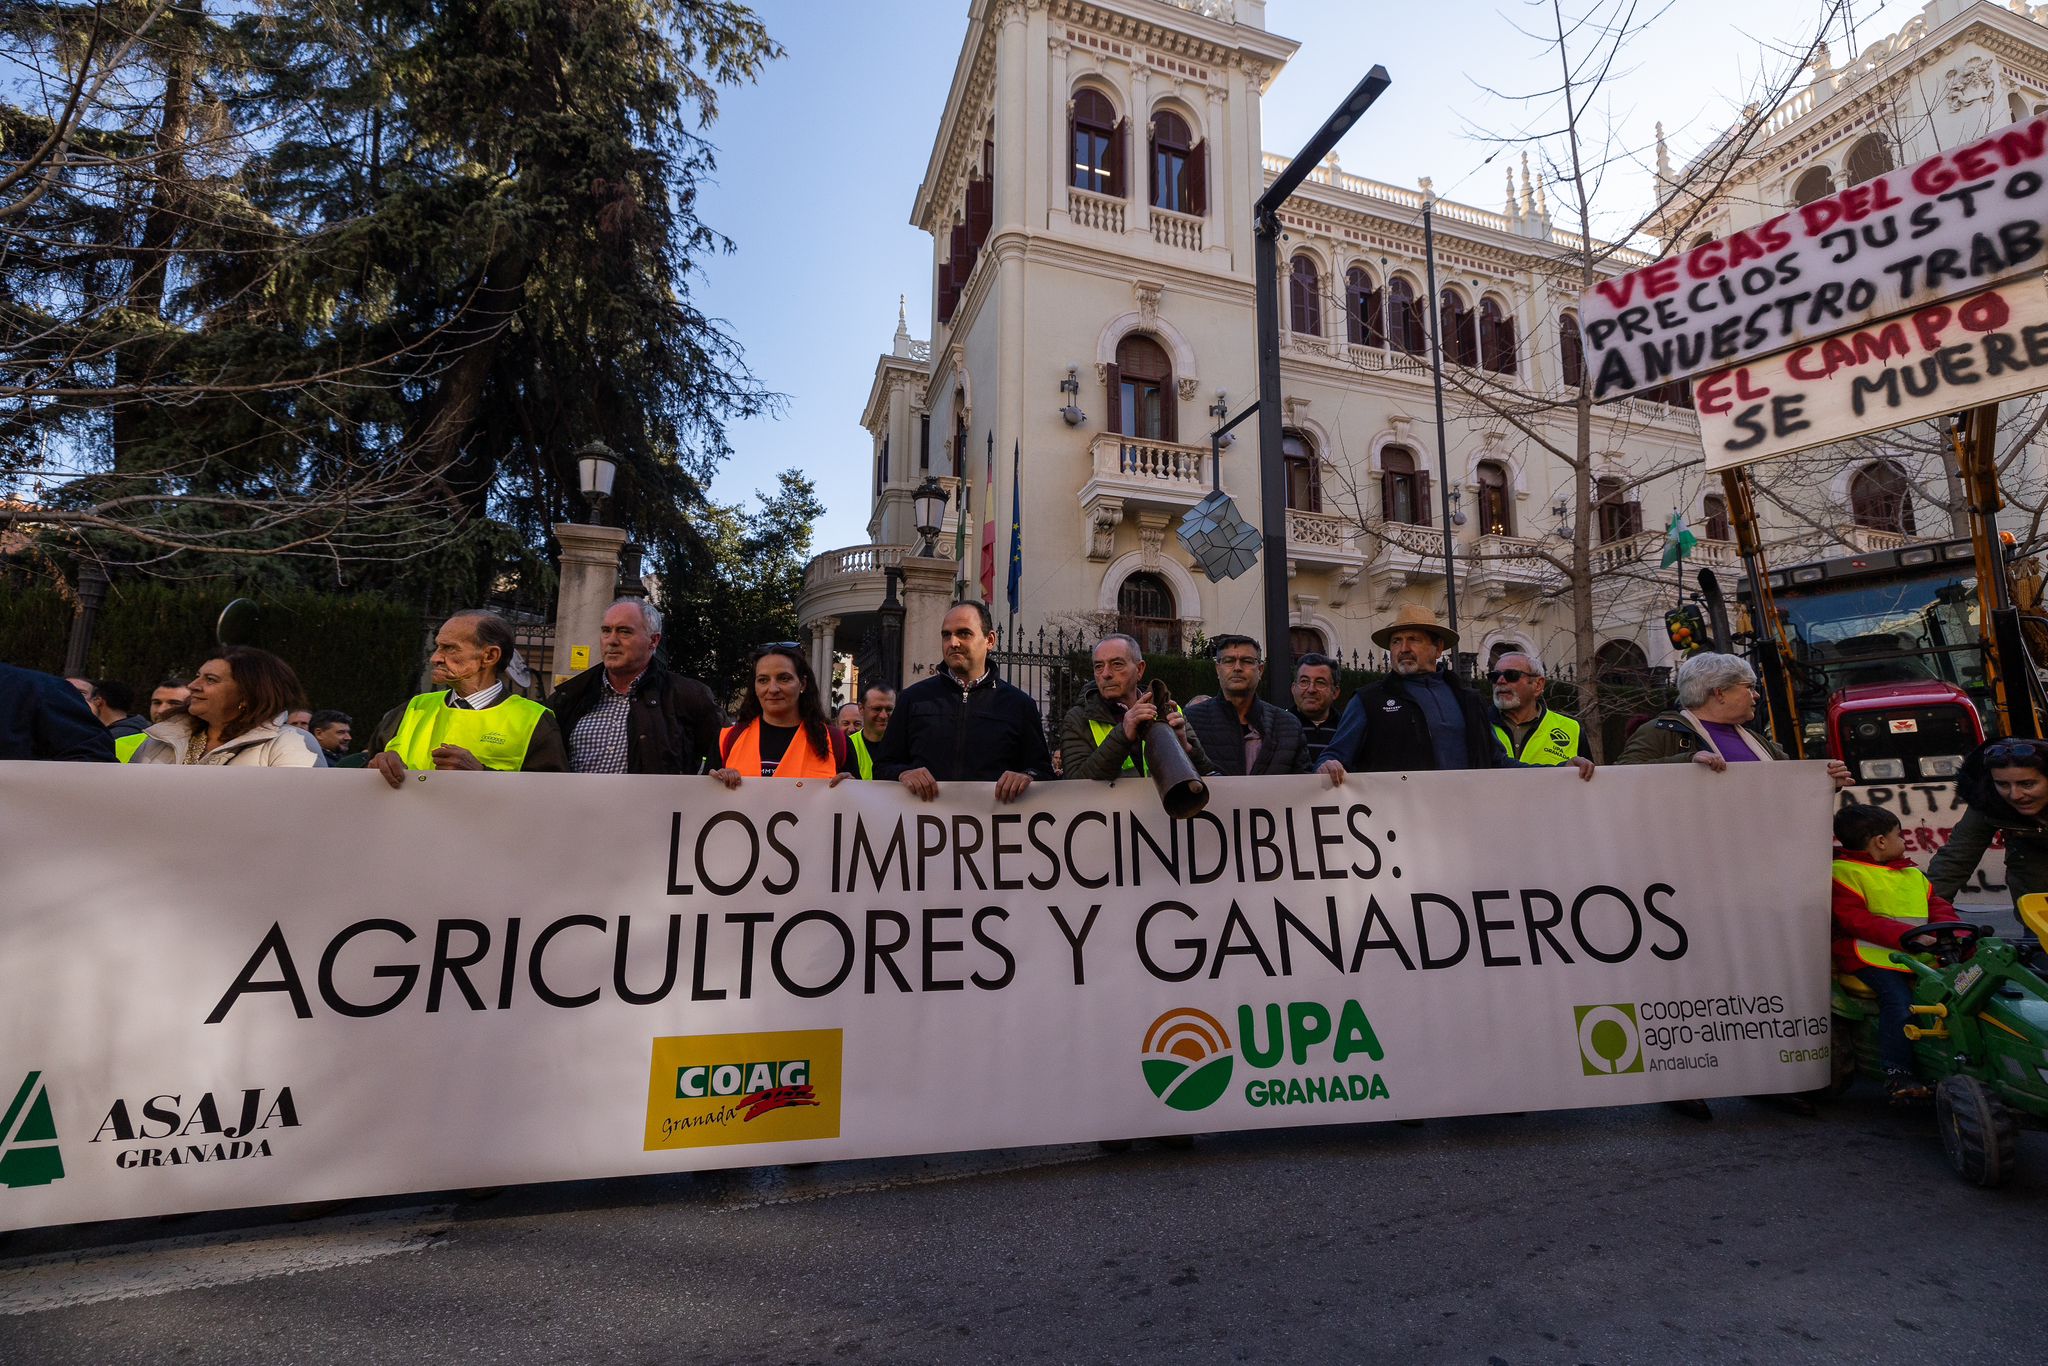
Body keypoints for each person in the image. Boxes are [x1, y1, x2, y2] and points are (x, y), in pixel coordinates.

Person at [1320, 606, 1592, 781]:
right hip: (1397, 835)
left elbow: (1496, 762)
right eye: (1396, 641)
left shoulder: (1468, 700)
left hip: (1464, 829)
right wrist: (1326, 765)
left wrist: (1560, 773)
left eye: (1413, 639)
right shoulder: (1369, 700)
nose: (1403, 648)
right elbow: (1334, 756)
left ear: (1438, 649)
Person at [1832, 802, 1959, 1103]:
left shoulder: (1913, 875)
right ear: (1881, 841)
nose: (1904, 842)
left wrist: (1952, 933)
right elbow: (1857, 920)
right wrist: (1908, 938)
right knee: (1899, 1003)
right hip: (1870, 958)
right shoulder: (1844, 873)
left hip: (1916, 955)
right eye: (1900, 835)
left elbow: (1938, 907)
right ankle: (1898, 1073)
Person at [872, 600, 1053, 802]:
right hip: (926, 828)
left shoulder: (1020, 705)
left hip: (993, 829)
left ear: (990, 640)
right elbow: (882, 766)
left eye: (964, 633)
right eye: (946, 635)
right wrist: (903, 773)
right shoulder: (912, 699)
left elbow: (1043, 772)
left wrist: (1027, 776)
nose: (953, 643)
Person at [366, 610, 567, 786]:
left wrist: (481, 775)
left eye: (449, 648)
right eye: (438, 647)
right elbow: (361, 768)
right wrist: (376, 764)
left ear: (489, 656)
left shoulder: (533, 720)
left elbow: (550, 796)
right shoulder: (412, 708)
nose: (435, 658)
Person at [1615, 652, 1850, 787]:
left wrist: (1826, 781)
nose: (1756, 695)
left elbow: (1788, 786)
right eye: (1749, 687)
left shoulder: (1758, 741)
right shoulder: (1660, 732)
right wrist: (1687, 761)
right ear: (1719, 692)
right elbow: (1620, 778)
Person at [547, 599, 722, 775]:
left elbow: (727, 753)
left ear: (653, 641)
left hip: (655, 803)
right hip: (576, 802)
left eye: (624, 632)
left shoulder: (688, 696)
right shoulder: (569, 696)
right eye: (606, 631)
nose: (612, 641)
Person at [1058, 634, 1214, 781]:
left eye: (1117, 664)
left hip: (1167, 809)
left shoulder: (1170, 710)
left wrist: (1185, 748)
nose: (1105, 674)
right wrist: (1123, 735)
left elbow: (1208, 774)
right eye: (1098, 666)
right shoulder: (1078, 718)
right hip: (1111, 809)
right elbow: (1075, 784)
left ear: (1139, 669)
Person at [133, 649, 321, 767]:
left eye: (210, 680)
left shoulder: (289, 744)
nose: (193, 685)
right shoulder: (160, 739)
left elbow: (296, 814)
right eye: (198, 676)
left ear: (247, 695)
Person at [1928, 737, 2048, 907]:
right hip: (2036, 910)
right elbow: (1955, 859)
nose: (2015, 795)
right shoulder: (1988, 800)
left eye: (2027, 784)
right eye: (2003, 784)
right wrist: (1926, 916)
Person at [709, 644, 852, 786]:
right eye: (763, 680)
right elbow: (704, 802)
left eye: (784, 678)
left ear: (802, 683)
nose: (773, 689)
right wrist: (714, 784)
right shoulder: (726, 740)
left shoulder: (837, 742)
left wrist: (852, 788)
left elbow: (857, 805)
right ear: (755, 686)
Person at [1183, 635, 1309, 776]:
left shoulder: (1289, 726)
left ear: (1260, 670)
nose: (1237, 668)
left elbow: (1304, 784)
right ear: (1218, 669)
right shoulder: (1191, 720)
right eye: (1229, 661)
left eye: (1247, 661)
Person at [0, 663, 117, 762]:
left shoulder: (41, 690)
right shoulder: (38, 688)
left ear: (98, 701)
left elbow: (94, 761)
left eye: (82, 693)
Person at [1487, 652, 1586, 767]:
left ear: (1538, 685)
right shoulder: (1477, 724)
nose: (1500, 681)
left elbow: (1587, 778)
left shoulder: (1571, 729)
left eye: (1511, 675)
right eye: (1494, 676)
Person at [1290, 653, 1343, 769]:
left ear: (1335, 692)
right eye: (1304, 681)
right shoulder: (1279, 728)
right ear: (1293, 688)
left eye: (1320, 682)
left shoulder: (1346, 729)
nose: (1311, 689)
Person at [845, 684, 895, 780]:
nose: (884, 715)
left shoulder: (906, 745)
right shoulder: (847, 746)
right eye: (877, 709)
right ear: (861, 708)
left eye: (889, 709)